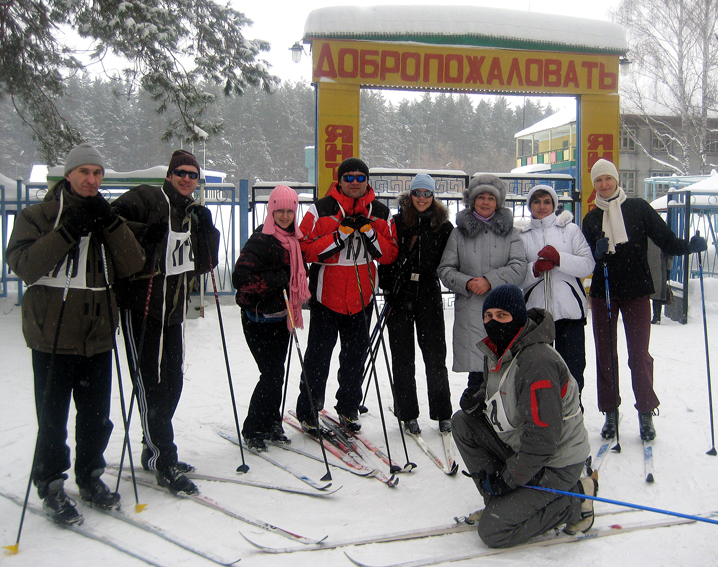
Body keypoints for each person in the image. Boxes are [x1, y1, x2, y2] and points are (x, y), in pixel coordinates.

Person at [6, 143, 145, 524]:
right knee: (52, 417)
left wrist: (111, 224)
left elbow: (133, 263)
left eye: (97, 173)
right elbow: (25, 265)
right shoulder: (40, 214)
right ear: (68, 175)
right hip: (52, 333)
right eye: (84, 172)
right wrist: (67, 232)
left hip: (97, 333)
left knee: (97, 416)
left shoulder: (105, 215)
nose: (91, 179)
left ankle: (90, 476)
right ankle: (50, 482)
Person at [112, 149, 220, 495]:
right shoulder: (146, 196)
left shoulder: (191, 211)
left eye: (193, 174)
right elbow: (111, 224)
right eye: (181, 172)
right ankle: (164, 458)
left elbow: (204, 263)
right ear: (170, 174)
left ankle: (152, 447)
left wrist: (207, 229)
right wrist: (146, 232)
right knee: (152, 385)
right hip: (142, 308)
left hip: (172, 311)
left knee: (173, 382)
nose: (187, 178)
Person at [452, 285, 594, 548]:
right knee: (462, 422)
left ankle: (575, 499)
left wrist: (508, 480)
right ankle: (504, 504)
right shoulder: (501, 349)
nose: (493, 322)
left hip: (555, 462)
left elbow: (542, 440)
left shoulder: (537, 362)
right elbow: (505, 389)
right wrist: (479, 398)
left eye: (502, 316)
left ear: (517, 318)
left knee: (493, 532)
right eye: (488, 316)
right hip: (522, 448)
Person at [582, 158, 707, 441]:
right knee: (606, 355)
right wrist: (597, 252)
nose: (604, 184)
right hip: (605, 294)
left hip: (637, 291)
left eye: (608, 179)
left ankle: (645, 412)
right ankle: (610, 412)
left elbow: (666, 239)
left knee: (639, 356)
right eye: (598, 180)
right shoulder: (591, 219)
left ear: (616, 180)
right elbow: (585, 258)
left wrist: (689, 246)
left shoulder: (638, 208)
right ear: (595, 185)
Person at [295, 157, 398, 433]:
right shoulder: (320, 210)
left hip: (361, 298)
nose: (354, 183)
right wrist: (338, 237)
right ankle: (308, 409)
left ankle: (349, 407)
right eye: (348, 178)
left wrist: (370, 233)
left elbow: (389, 254)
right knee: (318, 359)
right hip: (326, 298)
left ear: (367, 181)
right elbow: (303, 248)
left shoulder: (380, 212)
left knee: (354, 359)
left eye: (360, 177)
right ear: (339, 180)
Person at [232, 185, 310, 451]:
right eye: (280, 211)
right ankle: (253, 426)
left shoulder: (295, 240)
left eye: (290, 211)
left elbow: (301, 271)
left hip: (282, 317)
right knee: (272, 373)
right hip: (257, 319)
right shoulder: (260, 240)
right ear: (271, 210)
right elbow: (240, 279)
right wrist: (278, 280)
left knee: (278, 373)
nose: (285, 216)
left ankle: (272, 421)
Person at [378, 173, 454, 434]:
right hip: (400, 294)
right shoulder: (397, 222)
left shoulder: (443, 226)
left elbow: (452, 259)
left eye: (427, 194)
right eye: (417, 193)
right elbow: (384, 257)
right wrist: (388, 284)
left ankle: (443, 412)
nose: (422, 198)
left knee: (435, 356)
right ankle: (407, 412)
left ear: (433, 197)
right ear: (410, 195)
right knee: (402, 357)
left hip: (428, 293)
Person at [438, 173, 526, 391]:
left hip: (503, 312)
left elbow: (519, 267)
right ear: (472, 201)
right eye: (480, 197)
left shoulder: (511, 233)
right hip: (472, 311)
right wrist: (467, 283)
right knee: (477, 376)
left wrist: (490, 280)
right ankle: (475, 419)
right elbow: (445, 269)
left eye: (491, 198)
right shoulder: (459, 234)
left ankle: (500, 420)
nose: (485, 202)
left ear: (498, 202)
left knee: (504, 374)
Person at [518, 185, 594, 398]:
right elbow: (514, 277)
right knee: (538, 371)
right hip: (535, 316)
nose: (541, 206)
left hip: (569, 313)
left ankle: (572, 413)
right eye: (536, 201)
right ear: (529, 205)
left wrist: (560, 259)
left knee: (572, 369)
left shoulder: (570, 230)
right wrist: (533, 269)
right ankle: (542, 415)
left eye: (546, 202)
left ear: (554, 205)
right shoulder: (521, 236)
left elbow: (588, 265)